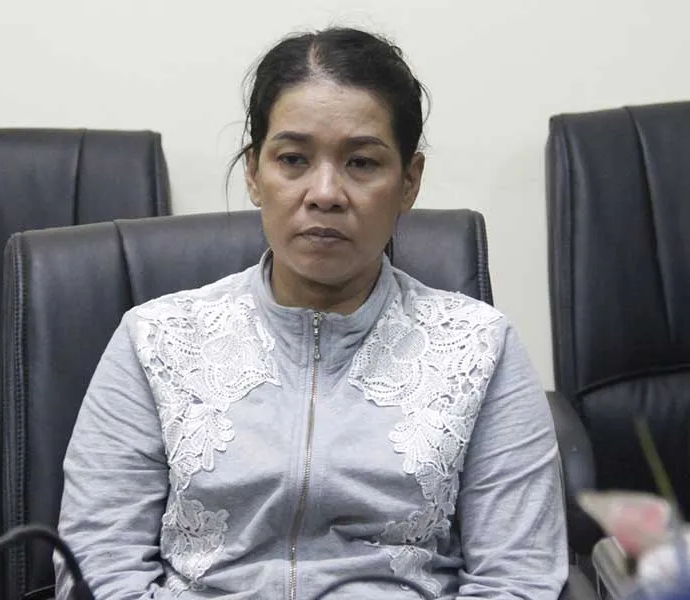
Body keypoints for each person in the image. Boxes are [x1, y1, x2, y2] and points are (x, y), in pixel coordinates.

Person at [55, 27, 568, 600]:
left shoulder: (480, 347)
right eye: (293, 159)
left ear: (409, 182)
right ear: (255, 173)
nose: (325, 193)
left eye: (361, 163)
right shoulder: (155, 340)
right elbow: (99, 566)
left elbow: (517, 576)